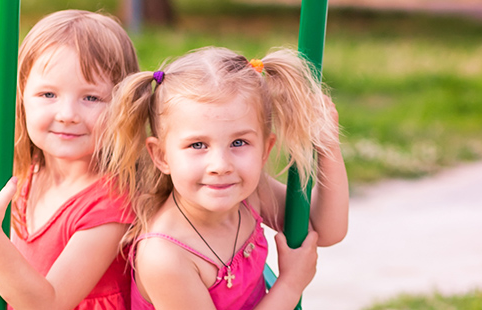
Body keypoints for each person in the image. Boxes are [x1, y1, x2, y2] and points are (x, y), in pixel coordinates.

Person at [98, 46, 349, 309]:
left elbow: (325, 230)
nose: (220, 165)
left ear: (265, 150)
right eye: (197, 145)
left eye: (239, 142)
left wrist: (328, 144)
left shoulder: (250, 193)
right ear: (161, 155)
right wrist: (291, 284)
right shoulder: (165, 256)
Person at [0, 9, 140, 309]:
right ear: (22, 98)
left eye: (91, 98)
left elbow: (48, 303)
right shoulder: (27, 176)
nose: (67, 115)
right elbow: (30, 272)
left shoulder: (111, 202)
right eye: (48, 94)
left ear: (122, 105)